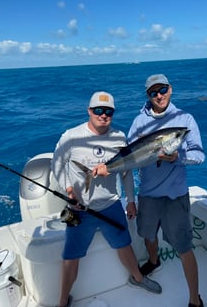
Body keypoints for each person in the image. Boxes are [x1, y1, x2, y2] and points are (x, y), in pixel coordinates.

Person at [51, 91, 162, 307]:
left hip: (111, 204)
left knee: (125, 245)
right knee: (71, 256)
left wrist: (130, 199)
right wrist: (68, 190)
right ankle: (63, 301)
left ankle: (137, 278)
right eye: (99, 110)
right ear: (89, 111)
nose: (103, 115)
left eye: (108, 111)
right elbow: (57, 164)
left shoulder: (119, 137)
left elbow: (127, 171)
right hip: (80, 209)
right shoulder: (71, 136)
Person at [127, 74, 205, 307]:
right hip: (148, 195)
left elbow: (199, 155)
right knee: (148, 235)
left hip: (175, 196)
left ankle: (195, 299)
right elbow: (129, 156)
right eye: (153, 92)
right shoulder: (139, 122)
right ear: (148, 96)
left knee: (183, 247)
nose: (159, 95)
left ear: (170, 89)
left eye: (162, 90)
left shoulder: (185, 119)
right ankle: (154, 260)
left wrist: (177, 157)